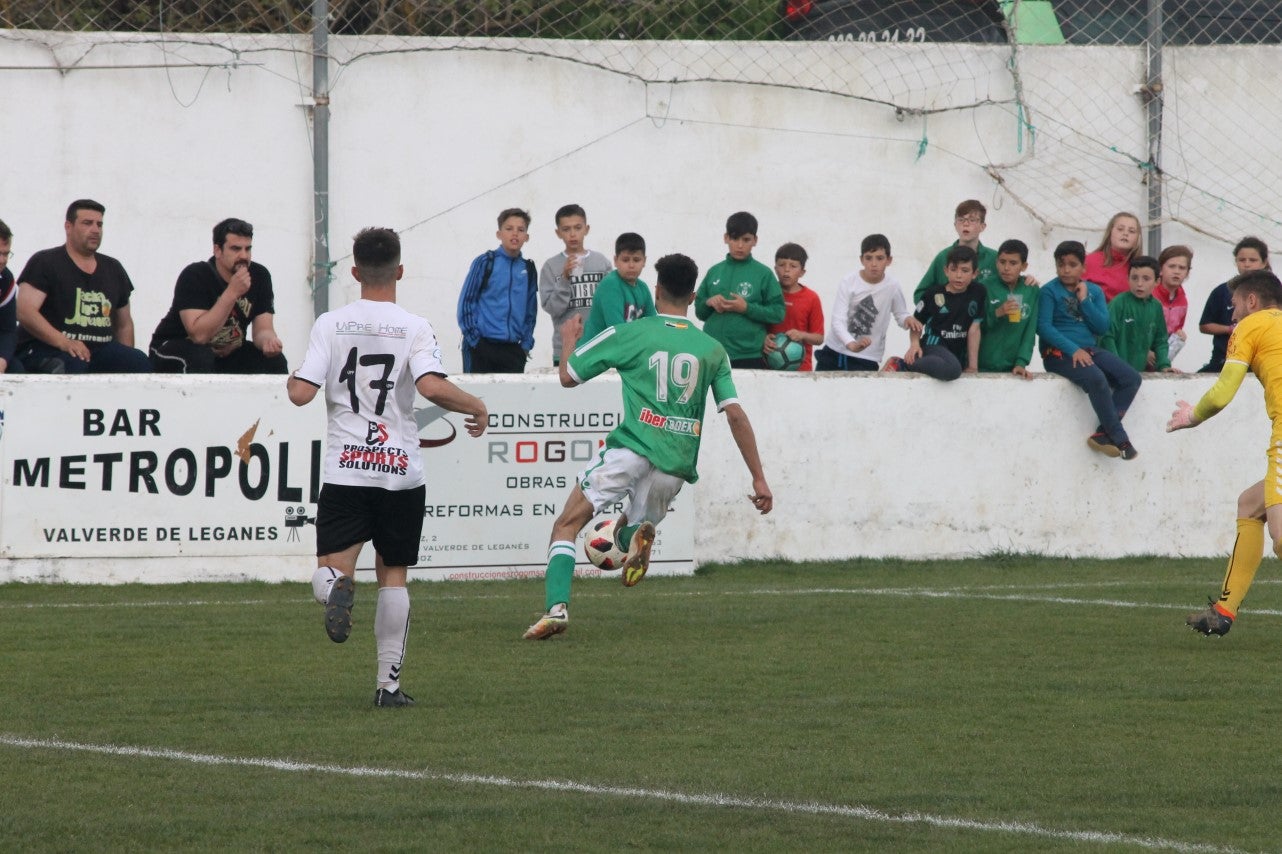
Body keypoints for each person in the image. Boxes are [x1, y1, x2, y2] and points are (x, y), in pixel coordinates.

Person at [523, 253, 773, 640]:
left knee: (566, 525)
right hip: (676, 463)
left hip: (631, 448)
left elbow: (568, 377)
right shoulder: (711, 349)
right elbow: (735, 415)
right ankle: (632, 536)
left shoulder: (631, 332)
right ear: (693, 297)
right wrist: (759, 478)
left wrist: (570, 342)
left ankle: (557, 609)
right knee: (633, 527)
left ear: (656, 291)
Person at [288, 227, 489, 707]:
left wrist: (296, 374)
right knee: (393, 574)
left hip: (347, 471)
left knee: (330, 570)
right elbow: (434, 389)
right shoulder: (415, 326)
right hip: (400, 473)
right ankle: (388, 687)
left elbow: (300, 394)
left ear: (354, 272)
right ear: (400, 271)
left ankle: (336, 587)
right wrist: (476, 405)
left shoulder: (329, 324)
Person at [1168, 270, 1282, 637]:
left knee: (1281, 536)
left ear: (1251, 301)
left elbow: (1222, 391)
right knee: (1250, 505)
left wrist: (1192, 416)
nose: (1231, 315)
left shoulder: (1251, 325)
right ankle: (1223, 611)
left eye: (1233, 306)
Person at [14, 199, 151, 373]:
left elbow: (123, 323)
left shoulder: (113, 268)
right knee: (74, 365)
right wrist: (63, 341)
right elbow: (25, 311)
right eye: (87, 223)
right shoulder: (45, 262)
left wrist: (126, 357)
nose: (95, 230)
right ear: (68, 227)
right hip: (47, 348)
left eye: (99, 225)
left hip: (100, 350)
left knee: (137, 362)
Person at [1037, 240, 1141, 459]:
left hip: (1089, 350)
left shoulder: (1093, 291)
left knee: (1131, 377)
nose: (1066, 269)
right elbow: (1044, 327)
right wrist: (1073, 350)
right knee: (1096, 378)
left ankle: (1103, 434)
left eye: (1072, 264)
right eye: (1061, 264)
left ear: (1083, 268)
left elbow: (1102, 326)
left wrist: (1084, 300)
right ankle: (1121, 439)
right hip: (1058, 353)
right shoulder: (1048, 291)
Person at [148, 218, 287, 374]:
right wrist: (232, 292)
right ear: (218, 250)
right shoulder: (195, 275)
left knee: (275, 361)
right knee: (200, 356)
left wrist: (268, 342)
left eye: (247, 249)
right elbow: (199, 336)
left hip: (226, 352)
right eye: (236, 249)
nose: (243, 256)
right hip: (175, 346)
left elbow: (263, 329)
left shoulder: (259, 275)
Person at [694, 211, 785, 369]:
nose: (740, 245)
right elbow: (699, 312)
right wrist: (709, 302)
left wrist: (746, 308)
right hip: (712, 353)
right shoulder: (714, 271)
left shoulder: (763, 274)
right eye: (735, 239)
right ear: (726, 238)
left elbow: (778, 313)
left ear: (755, 240)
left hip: (748, 356)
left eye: (746, 239)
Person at [815, 233, 918, 372]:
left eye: (880, 258)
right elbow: (837, 320)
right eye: (868, 258)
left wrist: (908, 320)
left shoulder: (892, 286)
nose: (874, 264)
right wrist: (851, 344)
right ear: (861, 260)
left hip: (867, 357)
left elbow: (900, 314)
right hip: (835, 352)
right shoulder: (849, 282)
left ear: (889, 260)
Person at [456, 207, 538, 373]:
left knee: (510, 399)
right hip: (481, 346)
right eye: (509, 229)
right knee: (477, 398)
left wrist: (526, 345)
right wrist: (474, 341)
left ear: (526, 237)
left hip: (513, 350)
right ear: (499, 234)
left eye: (520, 230)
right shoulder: (485, 262)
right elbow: (466, 303)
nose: (514, 234)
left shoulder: (528, 268)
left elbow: (531, 310)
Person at [885, 244, 984, 380]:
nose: (959, 275)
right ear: (946, 271)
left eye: (965, 270)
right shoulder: (933, 294)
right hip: (933, 345)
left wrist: (973, 366)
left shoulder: (978, 292)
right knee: (952, 369)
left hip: (955, 352)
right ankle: (903, 364)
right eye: (953, 269)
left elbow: (974, 329)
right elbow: (917, 323)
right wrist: (914, 345)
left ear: (975, 274)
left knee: (956, 367)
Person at [537, 204, 612, 365]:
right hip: (565, 348)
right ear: (558, 233)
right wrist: (564, 278)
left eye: (578, 228)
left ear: (586, 229)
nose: (572, 234)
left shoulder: (601, 262)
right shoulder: (551, 266)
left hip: (598, 344)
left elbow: (611, 303)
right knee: (566, 388)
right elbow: (552, 309)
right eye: (566, 229)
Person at [1199, 237, 1269, 373]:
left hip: (1261, 362)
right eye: (1242, 260)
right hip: (1224, 361)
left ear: (1264, 262)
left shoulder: (1273, 292)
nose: (1247, 264)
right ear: (1236, 261)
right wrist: (1230, 329)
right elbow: (1205, 325)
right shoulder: (1221, 291)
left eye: (1253, 260)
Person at [913, 199, 1000, 303]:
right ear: (955, 225)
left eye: (972, 220)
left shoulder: (995, 258)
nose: (966, 224)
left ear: (982, 226)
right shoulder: (943, 257)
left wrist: (1024, 281)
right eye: (961, 220)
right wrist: (942, 309)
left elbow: (1012, 284)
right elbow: (920, 294)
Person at [978, 238, 1039, 377]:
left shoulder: (1031, 290)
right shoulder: (983, 287)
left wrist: (1021, 362)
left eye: (1013, 263)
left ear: (1024, 266)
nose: (1006, 268)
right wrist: (997, 313)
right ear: (996, 262)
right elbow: (973, 326)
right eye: (1002, 262)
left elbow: (1030, 331)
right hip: (982, 365)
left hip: (1013, 368)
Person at [1102, 255, 1173, 373]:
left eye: (1146, 279)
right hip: (1113, 372)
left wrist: (1164, 365)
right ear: (1127, 278)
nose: (1139, 284)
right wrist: (1115, 365)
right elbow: (1106, 336)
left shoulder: (1156, 306)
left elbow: (1160, 340)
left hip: (1138, 372)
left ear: (1157, 281)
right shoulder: (1119, 303)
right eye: (1134, 278)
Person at [579, 232, 655, 341]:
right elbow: (617, 331)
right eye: (625, 260)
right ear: (615, 261)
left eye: (636, 260)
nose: (631, 265)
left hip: (620, 349)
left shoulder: (643, 288)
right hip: (594, 352)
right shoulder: (610, 285)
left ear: (644, 261)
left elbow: (652, 324)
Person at [764, 242, 824, 372]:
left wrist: (802, 335)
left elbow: (819, 338)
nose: (786, 270)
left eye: (793, 266)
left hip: (801, 370)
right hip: (767, 367)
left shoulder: (811, 298)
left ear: (802, 272)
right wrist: (764, 339)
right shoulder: (767, 293)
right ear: (775, 268)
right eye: (781, 265)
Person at [1084, 211, 1142, 302]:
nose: (1125, 233)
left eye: (1131, 231)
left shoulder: (1142, 268)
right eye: (1120, 229)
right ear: (1110, 232)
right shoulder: (1090, 261)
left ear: (1138, 237)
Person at [1154, 245, 1192, 367]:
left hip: (1162, 356)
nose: (1176, 271)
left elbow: (1177, 328)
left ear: (1187, 273)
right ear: (1160, 269)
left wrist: (1178, 336)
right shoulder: (1151, 294)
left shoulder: (1183, 300)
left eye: (1182, 268)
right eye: (1171, 266)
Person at [0, 219, 22, 374]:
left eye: (6, 254)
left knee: (16, 369)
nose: (2, 260)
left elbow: (8, 330)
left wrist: (3, 359)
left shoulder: (6, 280)